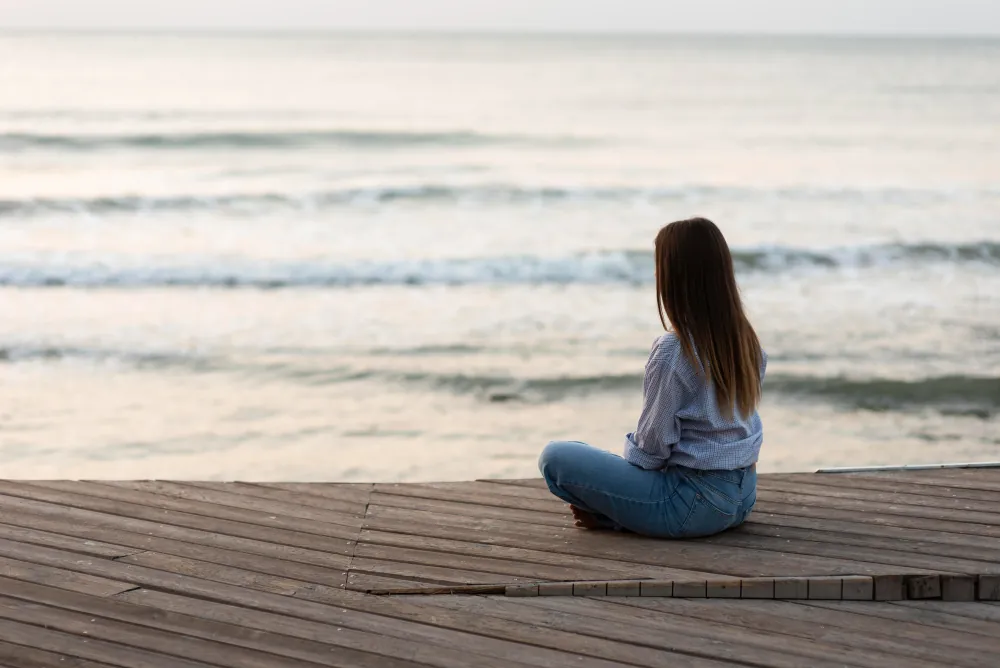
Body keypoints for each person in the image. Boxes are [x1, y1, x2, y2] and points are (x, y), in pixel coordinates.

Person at [538, 217, 766, 538]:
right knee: (598, 463)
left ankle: (616, 519)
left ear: (674, 278)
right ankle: (623, 515)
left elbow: (652, 450)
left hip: (692, 505)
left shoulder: (674, 348)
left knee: (557, 456)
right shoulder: (745, 340)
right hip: (743, 497)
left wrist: (613, 487)